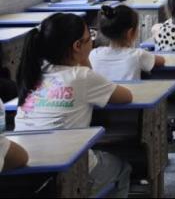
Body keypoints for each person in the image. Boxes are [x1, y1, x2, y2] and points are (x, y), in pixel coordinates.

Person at [15, 13, 133, 197]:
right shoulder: (82, 76)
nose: (92, 40)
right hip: (69, 173)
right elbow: (126, 96)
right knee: (122, 168)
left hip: (28, 173)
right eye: (90, 37)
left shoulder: (35, 73)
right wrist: (84, 61)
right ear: (77, 46)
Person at [90, 5, 166, 81]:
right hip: (131, 89)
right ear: (130, 33)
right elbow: (161, 61)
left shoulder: (93, 54)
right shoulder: (138, 54)